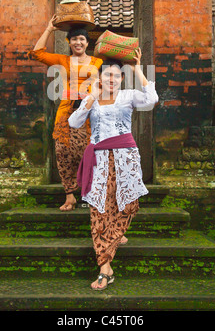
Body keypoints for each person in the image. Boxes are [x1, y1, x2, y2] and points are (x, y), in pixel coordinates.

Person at [68, 49, 159, 290]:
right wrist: (91, 97)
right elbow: (73, 122)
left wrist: (137, 68)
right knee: (99, 208)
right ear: (100, 77)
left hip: (125, 158)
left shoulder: (129, 95)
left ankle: (116, 234)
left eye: (117, 76)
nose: (112, 79)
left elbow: (151, 100)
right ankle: (105, 267)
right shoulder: (92, 97)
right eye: (108, 75)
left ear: (121, 78)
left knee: (127, 205)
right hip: (99, 159)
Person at [28, 14, 103, 211]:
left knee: (89, 152)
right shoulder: (62, 60)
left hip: (90, 111)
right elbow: (37, 53)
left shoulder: (98, 62)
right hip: (66, 110)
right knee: (62, 152)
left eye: (82, 39)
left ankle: (90, 193)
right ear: (69, 42)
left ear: (88, 43)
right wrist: (49, 29)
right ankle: (70, 196)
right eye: (74, 39)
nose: (78, 42)